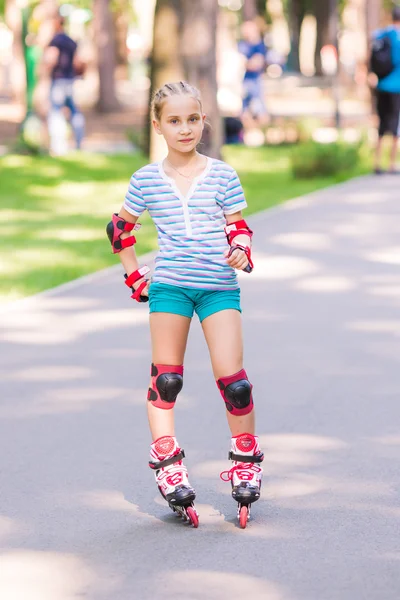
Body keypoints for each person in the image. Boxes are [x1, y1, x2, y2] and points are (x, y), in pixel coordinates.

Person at [106, 81, 264, 527]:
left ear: (203, 121)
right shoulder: (146, 180)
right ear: (158, 125)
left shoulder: (222, 174)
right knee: (167, 380)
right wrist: (134, 275)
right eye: (174, 121)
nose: (185, 128)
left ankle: (246, 459)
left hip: (217, 285)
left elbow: (239, 227)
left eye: (192, 119)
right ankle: (168, 463)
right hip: (171, 286)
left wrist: (241, 250)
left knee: (236, 383)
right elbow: (119, 229)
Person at [43, 14, 85, 155]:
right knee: (74, 111)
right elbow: (78, 62)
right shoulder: (71, 42)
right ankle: (79, 142)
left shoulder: (56, 40)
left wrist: (43, 71)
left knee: (56, 111)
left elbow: (51, 58)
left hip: (58, 80)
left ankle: (58, 146)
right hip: (69, 80)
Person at [373, 6, 400, 174]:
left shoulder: (382, 34)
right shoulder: (398, 38)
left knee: (382, 125)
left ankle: (376, 163)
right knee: (395, 126)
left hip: (381, 86)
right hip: (397, 87)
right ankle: (391, 164)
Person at [238, 20, 268, 128]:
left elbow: (257, 63)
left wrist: (244, 63)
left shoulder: (258, 45)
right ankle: (247, 132)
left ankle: (263, 130)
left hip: (254, 80)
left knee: (259, 107)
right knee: (244, 109)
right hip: (243, 80)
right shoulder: (241, 44)